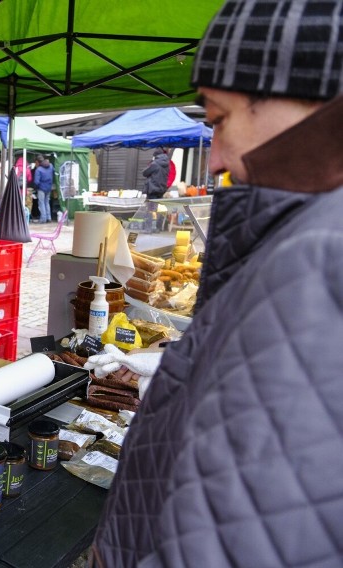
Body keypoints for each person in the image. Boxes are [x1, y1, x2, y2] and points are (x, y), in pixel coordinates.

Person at [90, 0, 343, 565]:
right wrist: (196, 367)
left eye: (220, 119)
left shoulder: (322, 256)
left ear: (305, 100)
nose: (216, 159)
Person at [32, 157, 54, 223]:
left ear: (38, 162)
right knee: (47, 202)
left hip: (41, 188)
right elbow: (53, 172)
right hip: (49, 188)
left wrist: (35, 187)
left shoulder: (38, 170)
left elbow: (36, 181)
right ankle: (49, 217)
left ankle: (43, 219)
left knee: (41, 203)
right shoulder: (51, 166)